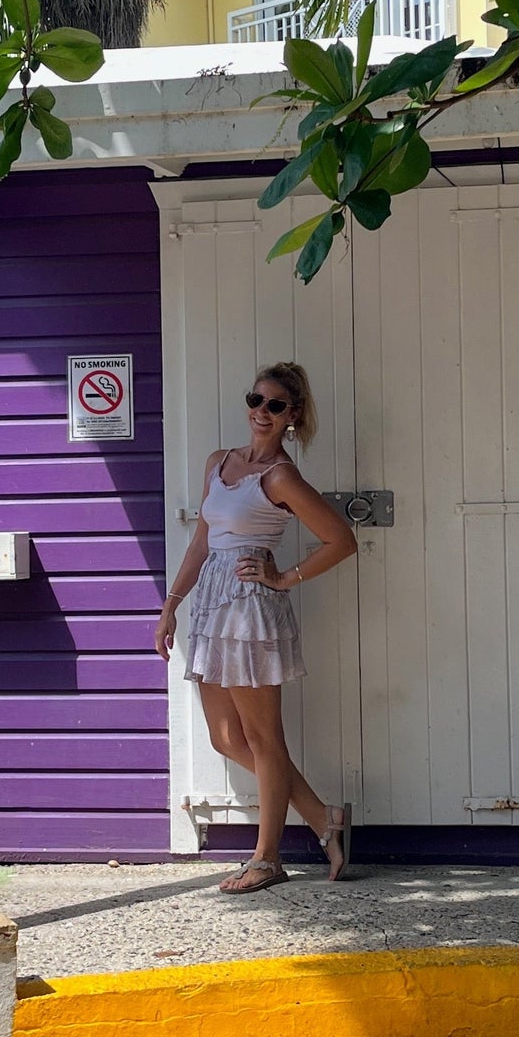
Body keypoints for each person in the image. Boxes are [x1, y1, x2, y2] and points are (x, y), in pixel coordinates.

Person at [154, 362, 358, 894]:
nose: (261, 412)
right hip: (210, 606)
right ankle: (322, 816)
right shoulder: (219, 462)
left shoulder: (282, 477)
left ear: (292, 416)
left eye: (275, 406)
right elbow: (202, 538)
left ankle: (267, 858)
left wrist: (284, 576)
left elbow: (341, 540)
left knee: (265, 739)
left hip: (250, 607)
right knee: (226, 739)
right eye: (256, 400)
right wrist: (171, 603)